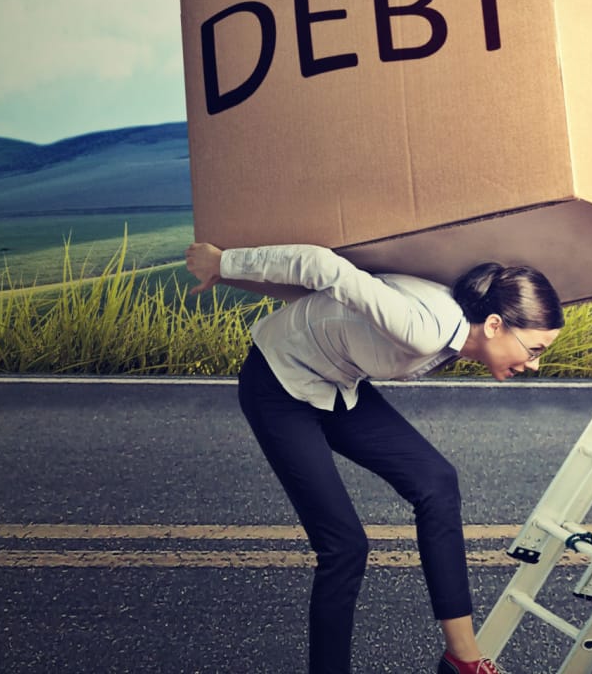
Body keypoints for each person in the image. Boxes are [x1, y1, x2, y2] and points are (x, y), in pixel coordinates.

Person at [186, 241, 564, 674]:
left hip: (336, 384)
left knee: (437, 482)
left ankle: (463, 658)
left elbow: (340, 303)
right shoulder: (427, 327)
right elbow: (322, 266)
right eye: (534, 350)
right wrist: (224, 264)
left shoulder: (454, 332)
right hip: (278, 388)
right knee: (344, 547)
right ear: (494, 325)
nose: (534, 364)